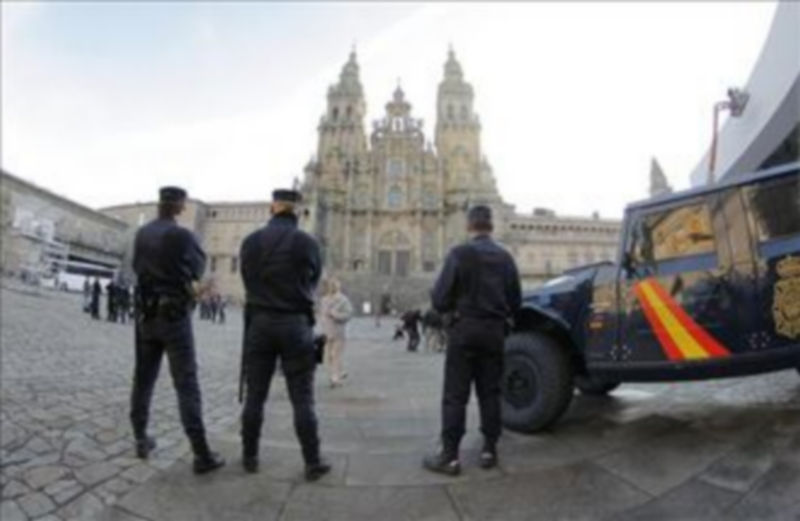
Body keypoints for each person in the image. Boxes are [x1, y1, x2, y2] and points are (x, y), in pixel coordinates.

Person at [130, 186, 224, 474]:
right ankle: (201, 453)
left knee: (143, 379)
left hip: (146, 316)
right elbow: (196, 270)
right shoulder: (183, 236)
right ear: (181, 206)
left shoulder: (142, 233)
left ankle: (140, 439)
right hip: (173, 317)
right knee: (186, 383)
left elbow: (136, 266)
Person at [423, 205, 522, 476]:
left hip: (464, 330)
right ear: (491, 226)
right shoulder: (505, 257)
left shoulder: (459, 254)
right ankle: (490, 449)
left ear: (469, 226)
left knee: (455, 395)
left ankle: (450, 456)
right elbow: (516, 301)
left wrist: (453, 309)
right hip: (494, 332)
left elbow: (440, 299)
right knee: (490, 393)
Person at [239, 189, 330, 480]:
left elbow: (247, 279)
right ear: (298, 210)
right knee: (302, 397)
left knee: (255, 395)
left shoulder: (251, 242)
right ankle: (312, 461)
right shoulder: (307, 242)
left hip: (260, 324)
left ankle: (250, 456)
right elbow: (313, 280)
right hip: (295, 324)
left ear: (272, 208)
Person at [320, 277, 353, 388]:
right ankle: (338, 372)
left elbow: (348, 314)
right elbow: (323, 316)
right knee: (328, 356)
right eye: (330, 285)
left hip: (338, 332)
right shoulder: (324, 300)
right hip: (327, 332)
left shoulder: (343, 300)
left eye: (334, 285)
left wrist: (335, 315)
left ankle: (335, 378)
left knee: (335, 355)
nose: (332, 287)